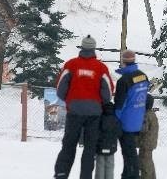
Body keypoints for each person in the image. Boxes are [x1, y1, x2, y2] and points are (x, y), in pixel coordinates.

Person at [54, 35, 114, 179]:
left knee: (69, 145)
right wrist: (99, 103)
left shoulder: (71, 65)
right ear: (93, 49)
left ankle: (61, 174)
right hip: (94, 114)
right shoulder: (101, 68)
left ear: (82, 47)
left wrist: (70, 100)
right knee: (89, 148)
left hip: (74, 111)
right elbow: (108, 93)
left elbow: (60, 89)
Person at [114, 50, 149, 179]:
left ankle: (132, 175)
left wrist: (115, 120)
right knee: (130, 151)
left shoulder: (124, 81)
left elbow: (119, 105)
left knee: (129, 153)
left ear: (123, 61)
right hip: (138, 118)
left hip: (126, 122)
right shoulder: (143, 76)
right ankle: (128, 174)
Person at [95, 102, 122, 179]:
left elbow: (95, 132)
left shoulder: (99, 119)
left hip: (100, 146)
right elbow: (119, 133)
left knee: (100, 165)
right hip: (111, 147)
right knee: (110, 165)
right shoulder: (116, 119)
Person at [137, 94, 158, 179]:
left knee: (144, 163)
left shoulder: (146, 115)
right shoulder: (152, 114)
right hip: (151, 142)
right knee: (149, 161)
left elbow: (143, 129)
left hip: (145, 142)